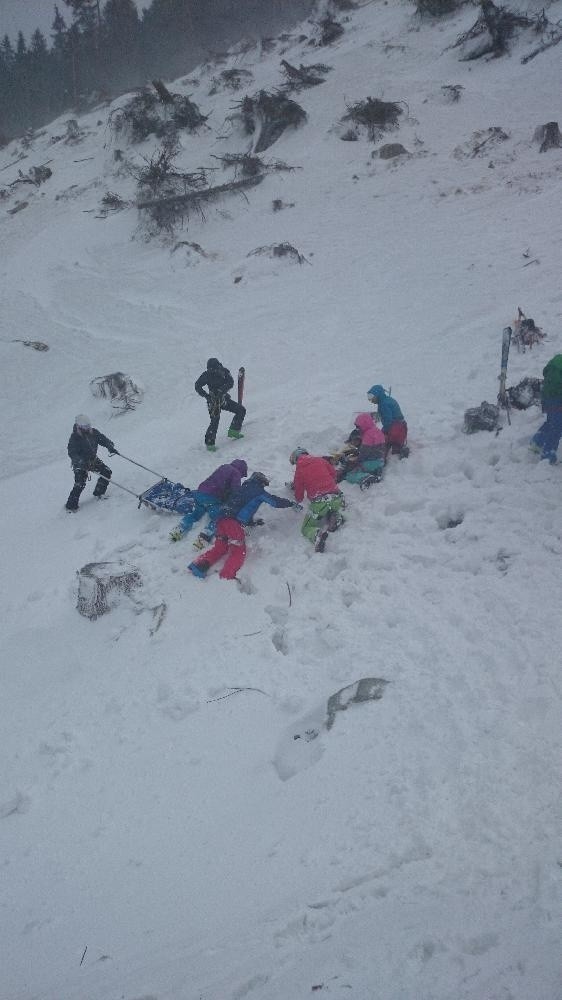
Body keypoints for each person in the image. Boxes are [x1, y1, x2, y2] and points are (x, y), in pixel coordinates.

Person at [188, 471, 299, 580]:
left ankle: (198, 566)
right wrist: (291, 503)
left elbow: (241, 507)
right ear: (261, 482)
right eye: (264, 484)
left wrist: (252, 522)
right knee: (238, 550)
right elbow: (275, 502)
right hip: (232, 523)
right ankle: (226, 576)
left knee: (220, 547)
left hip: (220, 520)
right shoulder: (259, 491)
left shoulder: (241, 489)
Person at [169, 459, 248, 541]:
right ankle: (205, 535)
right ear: (242, 470)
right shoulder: (236, 473)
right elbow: (236, 490)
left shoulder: (224, 467)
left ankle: (180, 528)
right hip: (213, 498)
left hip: (200, 493)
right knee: (218, 517)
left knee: (196, 513)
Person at [290, 448, 345, 553]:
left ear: (296, 459)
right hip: (336, 497)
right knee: (330, 509)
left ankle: (317, 536)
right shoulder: (320, 460)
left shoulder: (299, 470)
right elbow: (333, 473)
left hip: (319, 503)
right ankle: (335, 516)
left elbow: (299, 497)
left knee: (306, 528)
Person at [65, 414, 118, 511]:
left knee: (106, 472)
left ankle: (99, 492)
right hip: (80, 463)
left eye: (88, 426)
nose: (87, 428)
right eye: (85, 427)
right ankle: (71, 506)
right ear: (79, 427)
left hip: (92, 459)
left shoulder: (93, 432)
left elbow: (103, 440)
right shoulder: (74, 438)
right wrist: (80, 461)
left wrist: (110, 446)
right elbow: (72, 453)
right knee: (80, 483)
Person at [195, 358, 246, 452]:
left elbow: (231, 382)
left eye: (214, 369)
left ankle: (234, 431)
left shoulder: (224, 371)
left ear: (218, 366)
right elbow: (197, 385)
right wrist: (207, 396)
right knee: (215, 420)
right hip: (213, 401)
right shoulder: (206, 375)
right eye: (210, 369)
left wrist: (221, 390)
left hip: (223, 399)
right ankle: (210, 443)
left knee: (241, 410)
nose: (212, 371)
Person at [336, 412, 386, 485]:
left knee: (350, 475)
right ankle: (375, 471)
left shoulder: (368, 435)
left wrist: (355, 460)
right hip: (380, 460)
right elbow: (373, 449)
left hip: (371, 462)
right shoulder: (377, 431)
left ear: (364, 424)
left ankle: (367, 477)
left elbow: (364, 453)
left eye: (358, 426)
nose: (358, 428)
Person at [529, 354, 562, 464]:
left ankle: (537, 442)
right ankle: (548, 455)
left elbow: (545, 372)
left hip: (547, 397)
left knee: (551, 422)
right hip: (557, 398)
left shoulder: (557, 359)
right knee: (557, 427)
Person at [367, 384, 409, 458]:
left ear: (378, 395)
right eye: (369, 397)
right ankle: (398, 445)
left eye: (371, 397)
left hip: (396, 429)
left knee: (381, 444)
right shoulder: (387, 400)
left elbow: (388, 421)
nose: (370, 400)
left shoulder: (383, 404)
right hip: (401, 426)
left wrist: (383, 433)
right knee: (390, 441)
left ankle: (381, 458)